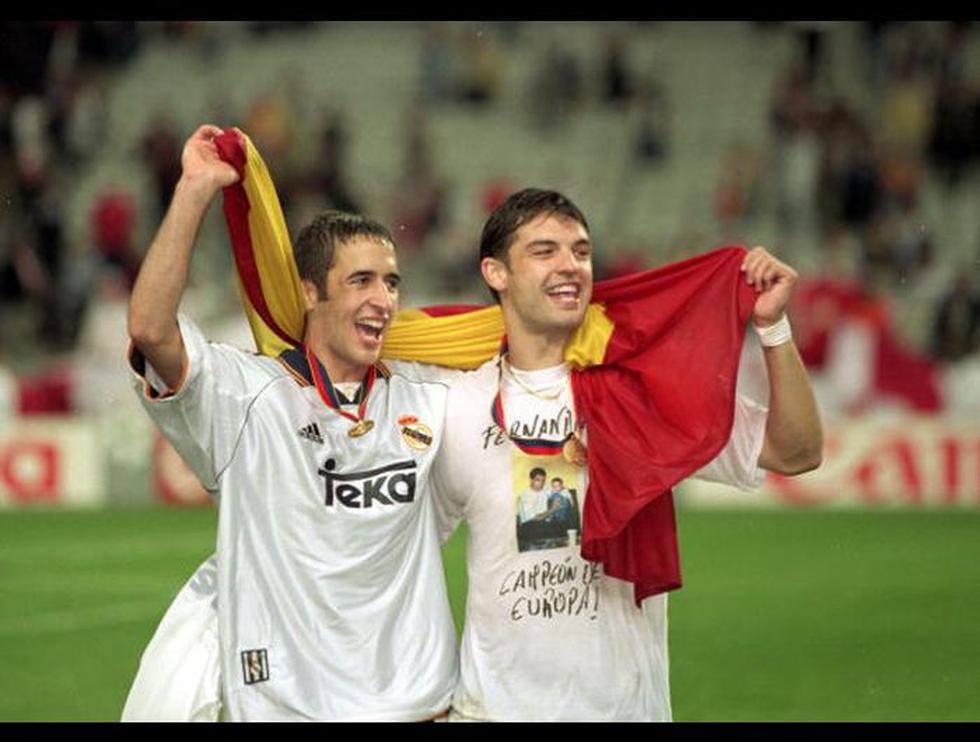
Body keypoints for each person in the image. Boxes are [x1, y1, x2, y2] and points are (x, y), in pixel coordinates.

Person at [429, 188, 823, 721]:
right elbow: (404, 551)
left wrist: (773, 326)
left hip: (622, 711)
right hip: (493, 712)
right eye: (545, 251)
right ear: (495, 272)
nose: (570, 266)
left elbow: (796, 451)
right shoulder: (456, 403)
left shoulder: (646, 393)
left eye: (581, 251)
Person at [123, 125, 457, 721]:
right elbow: (151, 329)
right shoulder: (244, 397)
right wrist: (195, 189)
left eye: (391, 282)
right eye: (361, 280)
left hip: (419, 705)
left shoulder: (431, 394)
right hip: (291, 708)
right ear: (309, 293)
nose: (383, 300)